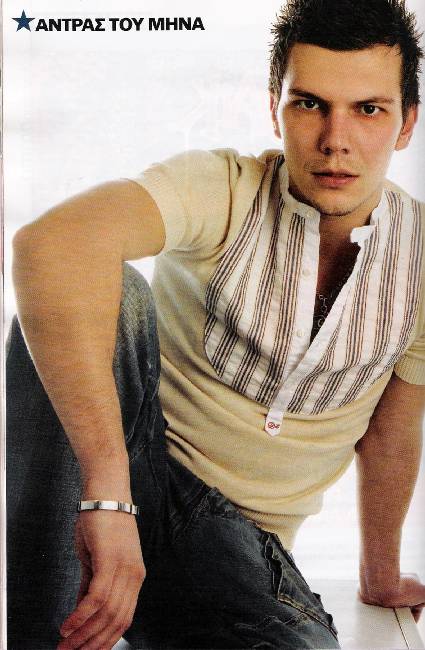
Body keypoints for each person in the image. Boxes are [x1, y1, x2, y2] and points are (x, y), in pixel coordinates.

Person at [7, 0, 425, 648]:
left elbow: (392, 430)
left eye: (368, 109)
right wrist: (109, 495)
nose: (335, 140)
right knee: (97, 288)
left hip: (239, 551)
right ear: (275, 109)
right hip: (125, 479)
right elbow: (50, 246)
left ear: (406, 124)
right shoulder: (221, 187)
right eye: (309, 104)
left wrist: (380, 573)